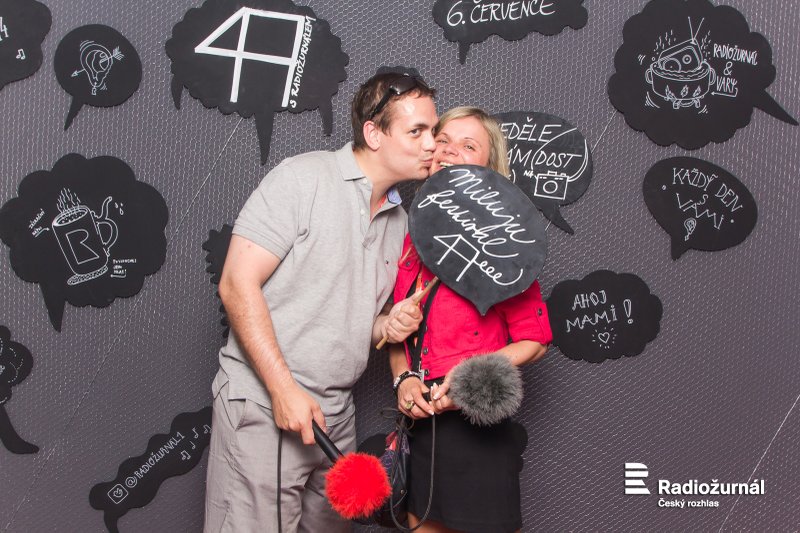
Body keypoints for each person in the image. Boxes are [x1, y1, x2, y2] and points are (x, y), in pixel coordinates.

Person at [204, 72, 438, 533]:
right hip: (265, 404)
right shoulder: (303, 178)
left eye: (433, 130)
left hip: (335, 415)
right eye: (417, 131)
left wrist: (388, 325)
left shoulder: (400, 220)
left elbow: (362, 320)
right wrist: (282, 390)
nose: (432, 143)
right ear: (374, 133)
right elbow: (236, 283)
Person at [388, 107, 554, 533]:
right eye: (443, 140)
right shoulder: (411, 239)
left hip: (476, 423)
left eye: (467, 145)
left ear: (488, 165)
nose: (449, 151)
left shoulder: (508, 244)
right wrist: (403, 380)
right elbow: (398, 333)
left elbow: (535, 341)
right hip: (422, 423)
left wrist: (468, 380)